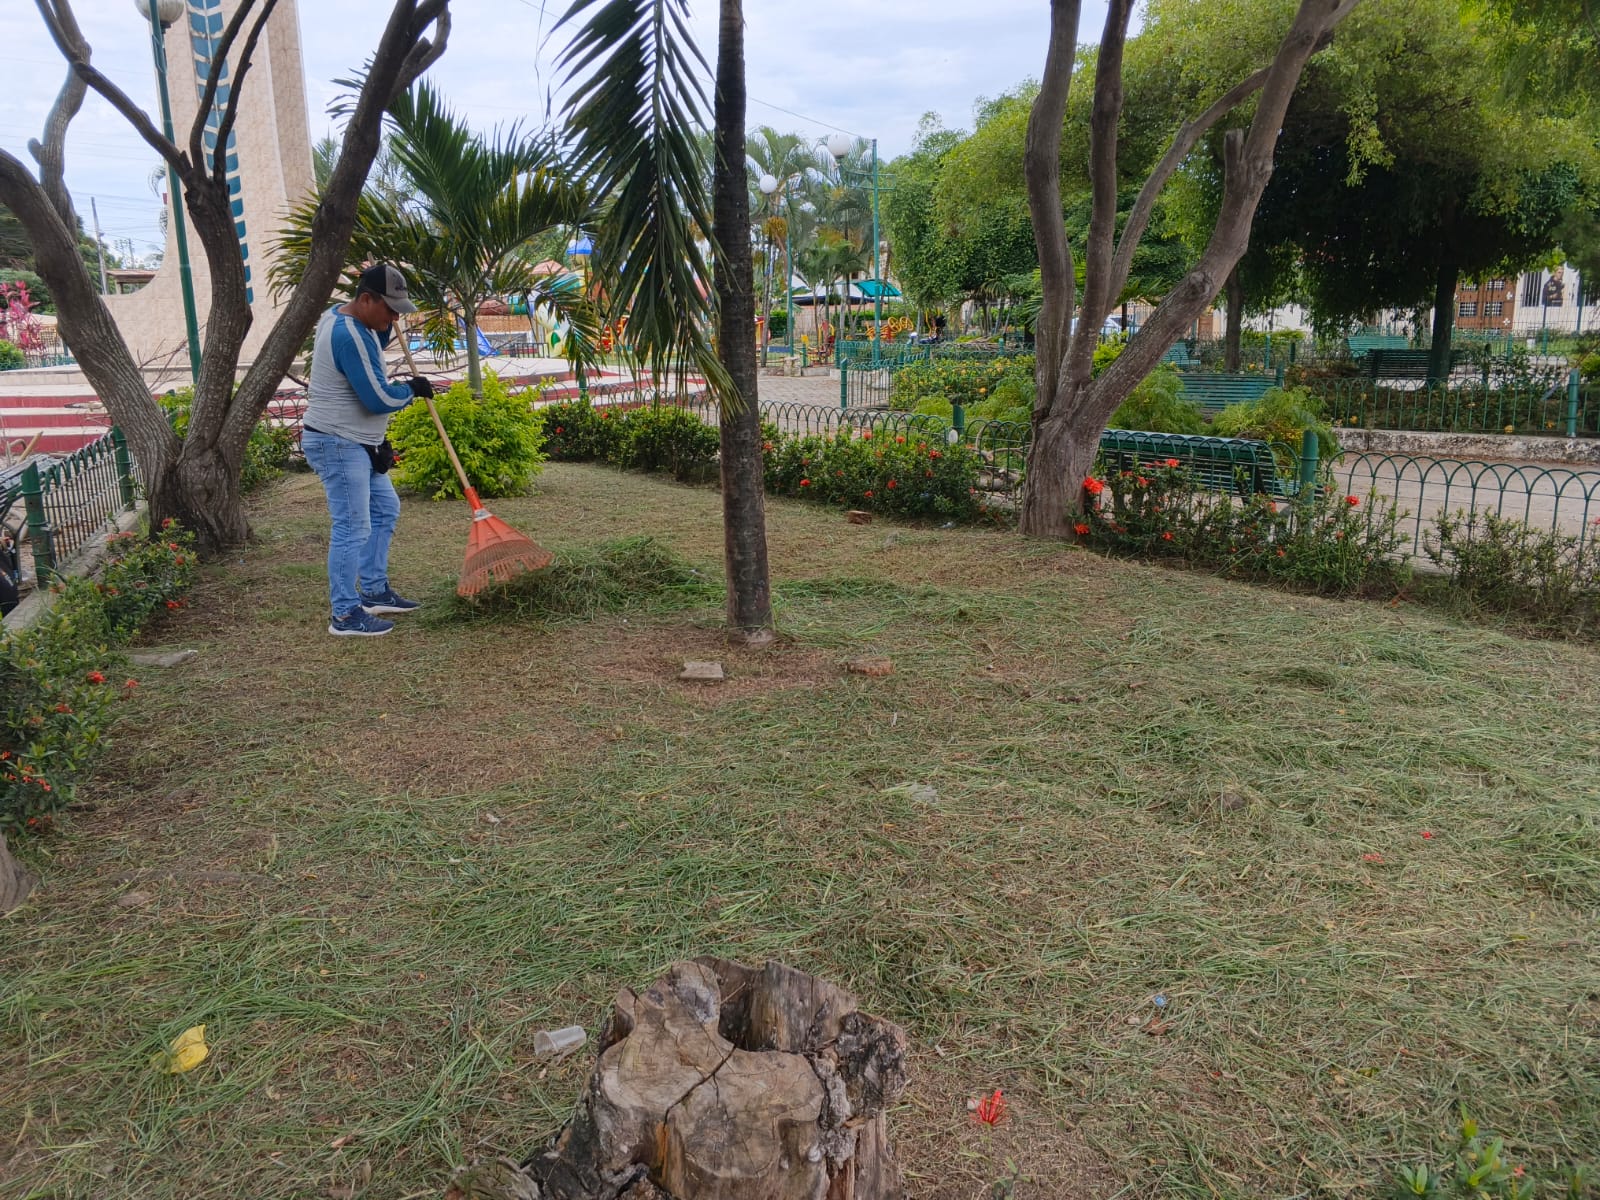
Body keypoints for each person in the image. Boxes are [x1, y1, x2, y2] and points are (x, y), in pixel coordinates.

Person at [301, 263, 435, 637]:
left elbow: (374, 344)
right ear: (366, 300)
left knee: (385, 508)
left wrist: (377, 439)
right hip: (337, 442)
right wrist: (411, 390)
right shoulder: (349, 336)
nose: (395, 318)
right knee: (352, 526)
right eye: (390, 310)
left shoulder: (342, 316)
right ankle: (345, 615)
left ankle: (374, 591)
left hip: (357, 442)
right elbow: (378, 399)